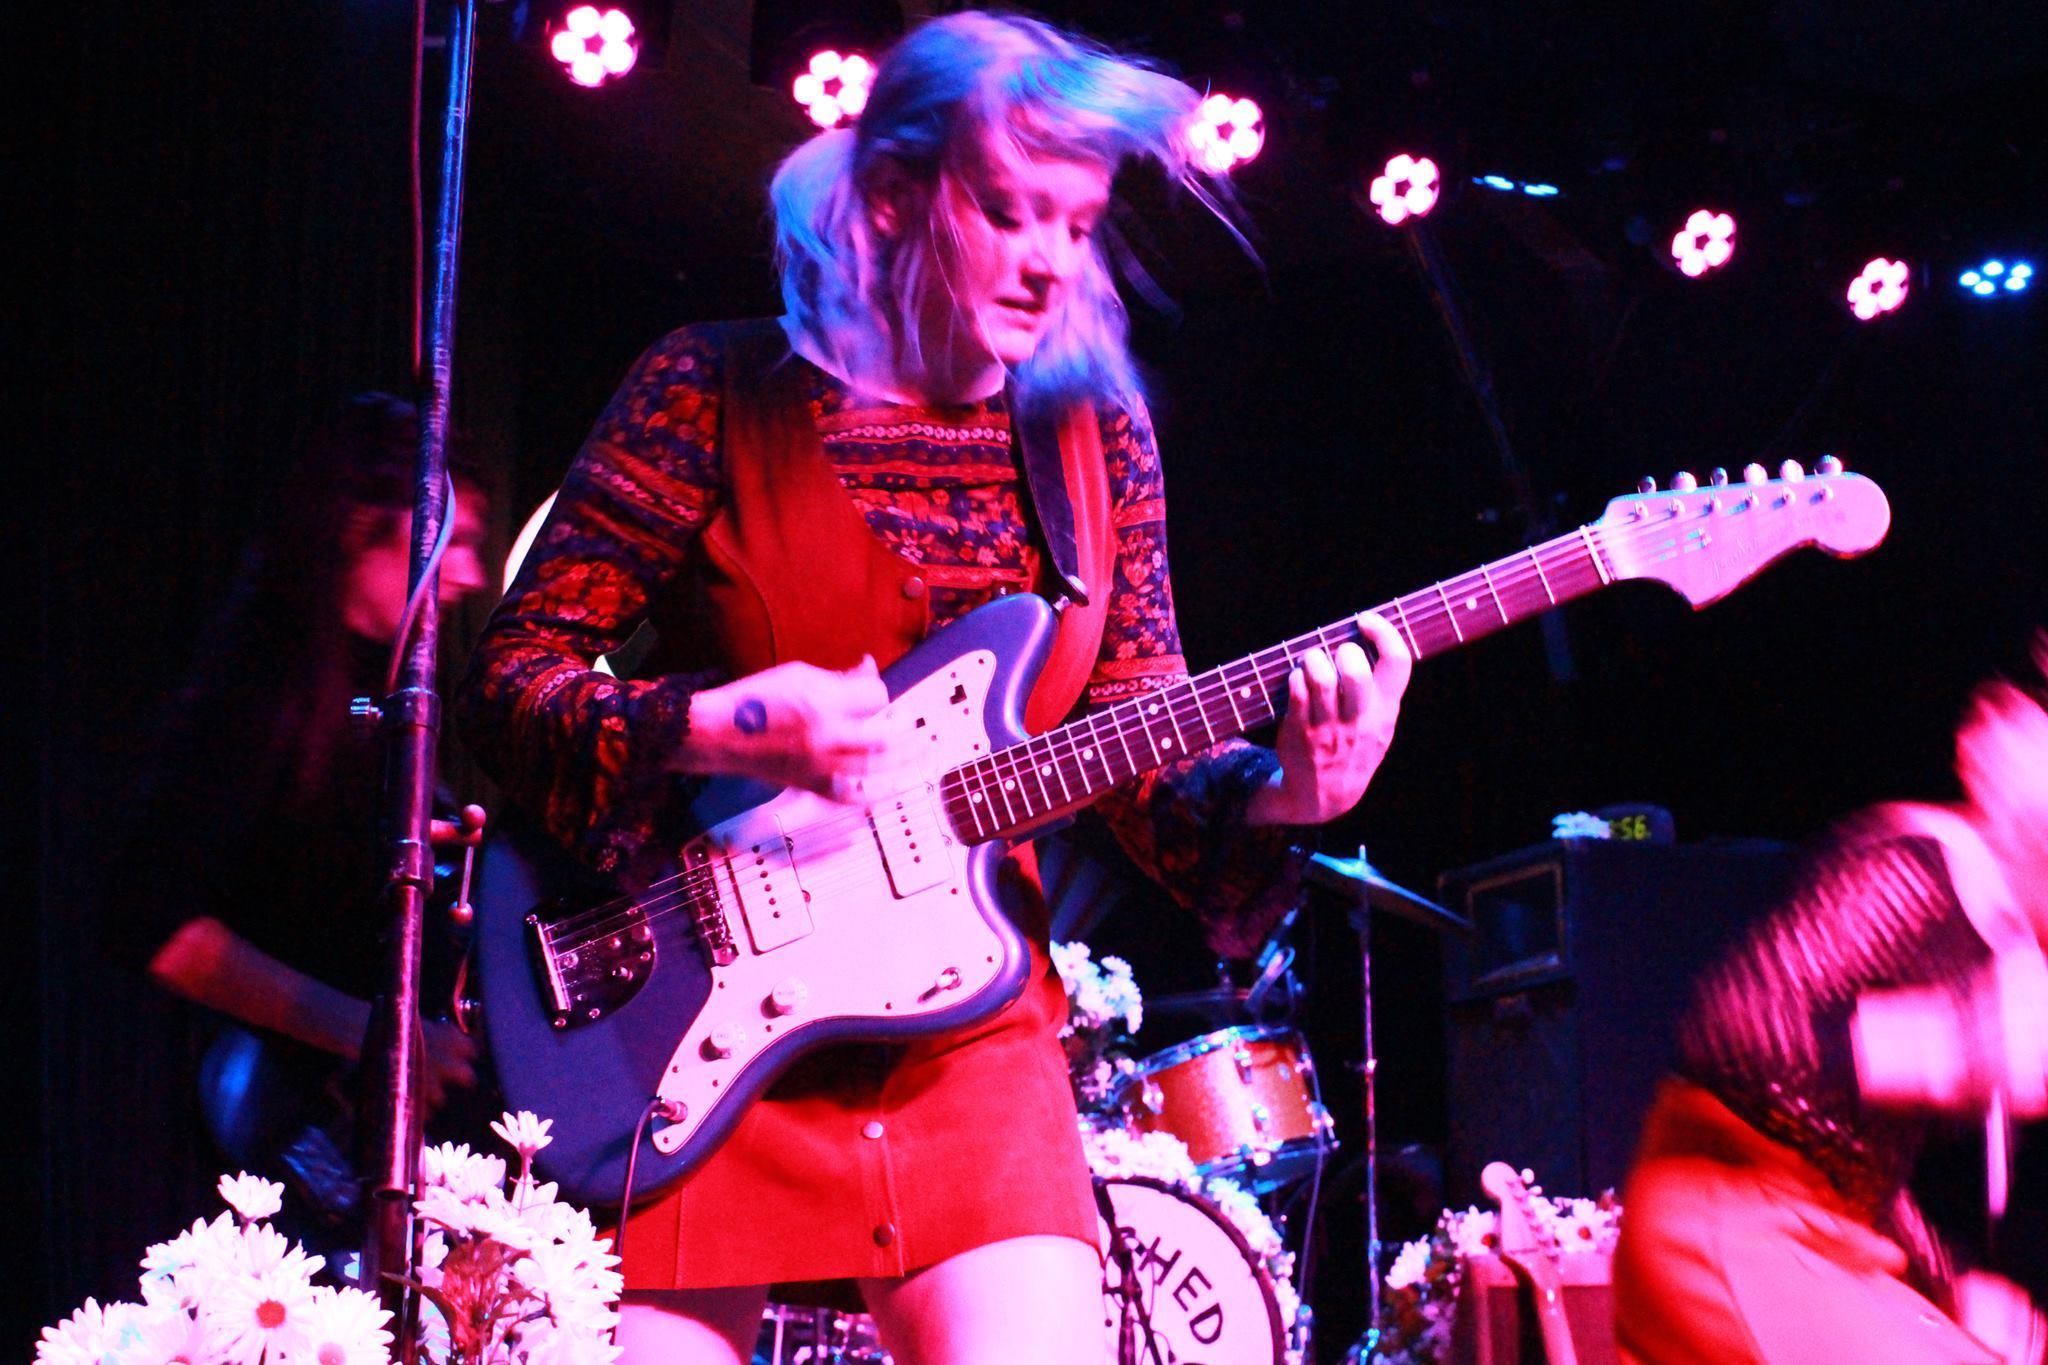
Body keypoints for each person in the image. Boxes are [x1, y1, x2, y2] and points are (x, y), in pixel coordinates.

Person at [455, 12, 1411, 1364]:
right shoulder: (710, 388)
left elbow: (1142, 755)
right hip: (701, 1012)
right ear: (898, 197)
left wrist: (1287, 795)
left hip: (970, 1037)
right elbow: (509, 679)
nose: (1046, 263)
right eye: (1011, 213)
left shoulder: (1094, 444)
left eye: (1074, 225)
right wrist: (714, 723)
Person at [115, 392, 495, 1244]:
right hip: (274, 1130)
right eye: (452, 539)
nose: (470, 574)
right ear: (361, 523)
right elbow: (152, 924)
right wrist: (380, 1033)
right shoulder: (258, 688)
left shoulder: (373, 693)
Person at [1612, 644, 2048, 1365]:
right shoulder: (1926, 865)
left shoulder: (2004, 940)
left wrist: (1951, 1285)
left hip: (1816, 1238)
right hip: (1721, 1219)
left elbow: (1851, 1157)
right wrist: (1955, 1043)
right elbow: (1736, 1022)